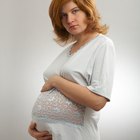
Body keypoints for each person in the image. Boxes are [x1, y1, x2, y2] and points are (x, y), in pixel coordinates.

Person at [28, 0, 115, 140]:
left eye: (75, 11)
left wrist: (56, 81)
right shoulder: (68, 50)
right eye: (63, 15)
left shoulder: (102, 44)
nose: (69, 20)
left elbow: (98, 102)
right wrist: (36, 128)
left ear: (87, 11)